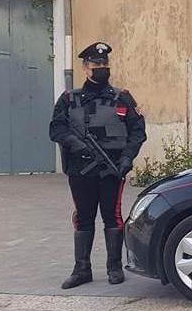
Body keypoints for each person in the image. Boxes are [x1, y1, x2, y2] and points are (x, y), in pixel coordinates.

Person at [49, 41, 146, 288]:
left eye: (104, 64)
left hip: (111, 169)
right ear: (85, 68)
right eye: (95, 64)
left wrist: (127, 158)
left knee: (112, 217)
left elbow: (137, 131)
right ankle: (82, 270)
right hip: (80, 170)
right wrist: (73, 143)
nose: (101, 68)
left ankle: (114, 267)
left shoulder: (122, 98)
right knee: (83, 217)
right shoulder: (69, 99)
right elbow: (56, 128)